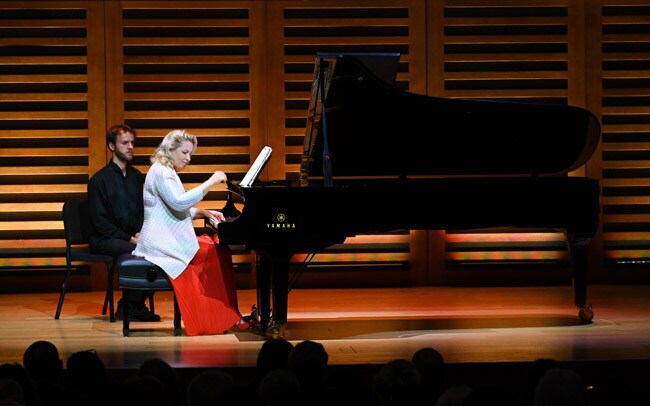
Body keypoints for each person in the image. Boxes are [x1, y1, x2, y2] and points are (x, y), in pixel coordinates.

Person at [132, 129, 252, 335]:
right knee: (212, 251)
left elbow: (172, 207)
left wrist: (203, 212)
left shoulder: (166, 170)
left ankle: (229, 314)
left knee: (218, 247)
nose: (188, 158)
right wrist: (211, 182)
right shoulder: (161, 171)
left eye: (191, 154)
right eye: (185, 152)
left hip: (167, 237)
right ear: (171, 149)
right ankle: (217, 317)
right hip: (160, 242)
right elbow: (178, 203)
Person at [88, 124, 159, 321]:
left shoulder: (136, 176)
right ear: (112, 146)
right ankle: (130, 306)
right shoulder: (98, 180)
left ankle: (133, 305)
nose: (130, 147)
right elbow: (99, 222)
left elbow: (142, 210)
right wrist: (130, 238)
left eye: (132, 143)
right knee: (138, 252)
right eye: (125, 143)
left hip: (130, 237)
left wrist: (140, 233)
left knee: (160, 250)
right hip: (104, 239)